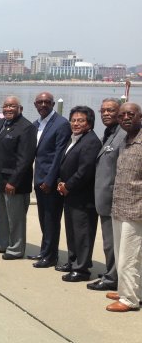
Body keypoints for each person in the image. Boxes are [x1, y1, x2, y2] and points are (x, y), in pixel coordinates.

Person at [0, 96, 37, 259]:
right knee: (0, 215)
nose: (8, 109)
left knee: (15, 218)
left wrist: (13, 181)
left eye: (12, 106)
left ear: (20, 108)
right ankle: (2, 243)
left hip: (13, 182)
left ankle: (15, 249)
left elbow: (25, 159)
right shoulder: (0, 123)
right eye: (6, 106)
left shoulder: (26, 127)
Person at [56, 106, 102, 281]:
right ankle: (73, 261)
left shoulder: (91, 141)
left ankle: (82, 269)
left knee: (83, 233)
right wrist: (61, 182)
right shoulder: (73, 139)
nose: (76, 123)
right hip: (70, 195)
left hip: (83, 197)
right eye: (73, 120)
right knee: (72, 231)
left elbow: (85, 170)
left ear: (89, 123)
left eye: (80, 120)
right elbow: (65, 163)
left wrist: (68, 185)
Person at [105, 102, 142, 312]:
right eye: (122, 115)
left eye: (130, 114)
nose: (125, 118)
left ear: (140, 116)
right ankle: (128, 290)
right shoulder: (124, 141)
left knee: (130, 257)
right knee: (122, 255)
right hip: (119, 206)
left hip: (136, 209)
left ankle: (129, 300)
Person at [88, 98, 126, 291]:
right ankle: (112, 272)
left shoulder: (125, 134)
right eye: (102, 110)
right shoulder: (109, 133)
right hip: (103, 198)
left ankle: (113, 279)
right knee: (109, 242)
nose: (105, 114)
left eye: (110, 110)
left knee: (113, 244)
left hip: (115, 200)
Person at [29, 92, 71, 268]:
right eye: (40, 102)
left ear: (53, 104)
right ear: (35, 105)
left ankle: (51, 256)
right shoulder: (36, 124)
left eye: (47, 102)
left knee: (52, 219)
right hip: (39, 179)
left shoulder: (61, 124)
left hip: (50, 181)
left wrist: (50, 180)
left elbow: (58, 155)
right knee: (43, 218)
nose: (43, 104)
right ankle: (45, 250)